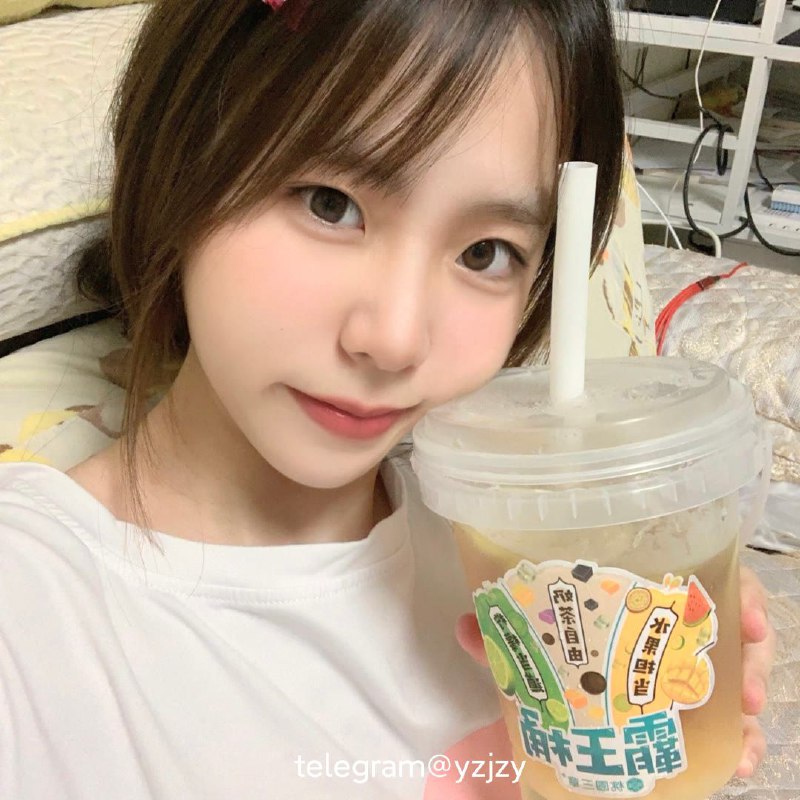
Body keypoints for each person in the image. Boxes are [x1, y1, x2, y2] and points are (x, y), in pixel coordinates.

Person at [0, 0, 774, 798]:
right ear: (177, 166)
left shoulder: (533, 568)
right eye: (329, 204)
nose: (396, 340)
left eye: (486, 252)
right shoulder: (29, 621)